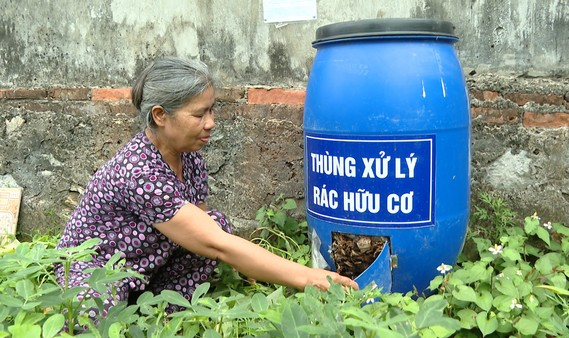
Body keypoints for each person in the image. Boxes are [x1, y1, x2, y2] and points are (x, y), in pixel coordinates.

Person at [54, 56, 358, 319]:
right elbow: (215, 244)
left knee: (216, 223)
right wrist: (308, 277)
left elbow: (203, 231)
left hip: (145, 261)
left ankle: (161, 309)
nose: (210, 122)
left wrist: (250, 263)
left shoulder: (190, 159)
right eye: (199, 114)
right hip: (100, 265)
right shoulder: (138, 171)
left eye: (211, 110)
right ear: (160, 115)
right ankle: (118, 304)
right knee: (94, 308)